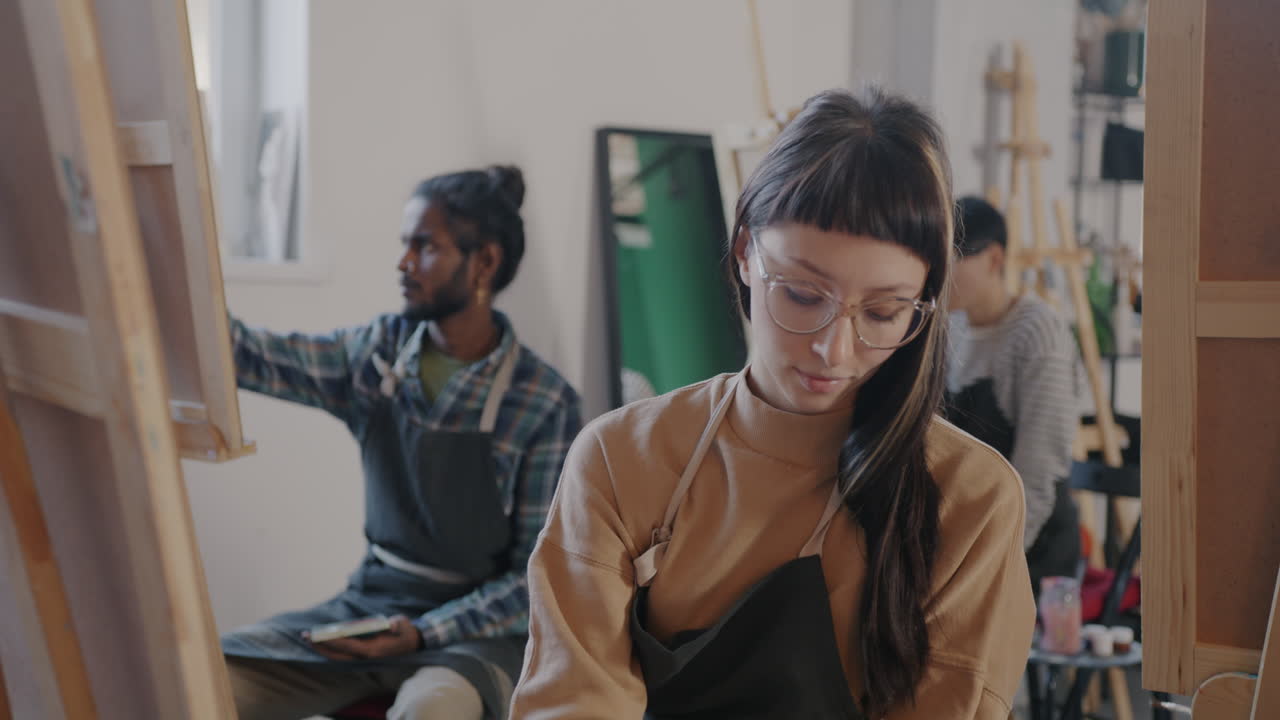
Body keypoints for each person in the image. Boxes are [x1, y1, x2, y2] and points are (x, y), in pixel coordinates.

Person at [509, 89, 1034, 719]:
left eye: (884, 312)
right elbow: (573, 701)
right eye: (803, 295)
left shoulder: (970, 498)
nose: (833, 350)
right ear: (745, 255)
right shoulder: (622, 458)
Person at [221, 166, 583, 720]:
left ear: (484, 261)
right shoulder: (376, 355)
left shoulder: (542, 401)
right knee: (207, 680)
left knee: (430, 712)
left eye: (424, 246)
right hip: (369, 609)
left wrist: (422, 634)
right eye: (405, 245)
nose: (403, 262)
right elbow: (247, 355)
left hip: (475, 636)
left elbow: (535, 580)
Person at [947, 196, 1082, 595]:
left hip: (1030, 547)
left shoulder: (1037, 333)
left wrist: (992, 567)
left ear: (993, 259)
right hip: (965, 537)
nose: (940, 274)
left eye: (954, 259)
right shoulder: (948, 325)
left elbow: (1037, 474)